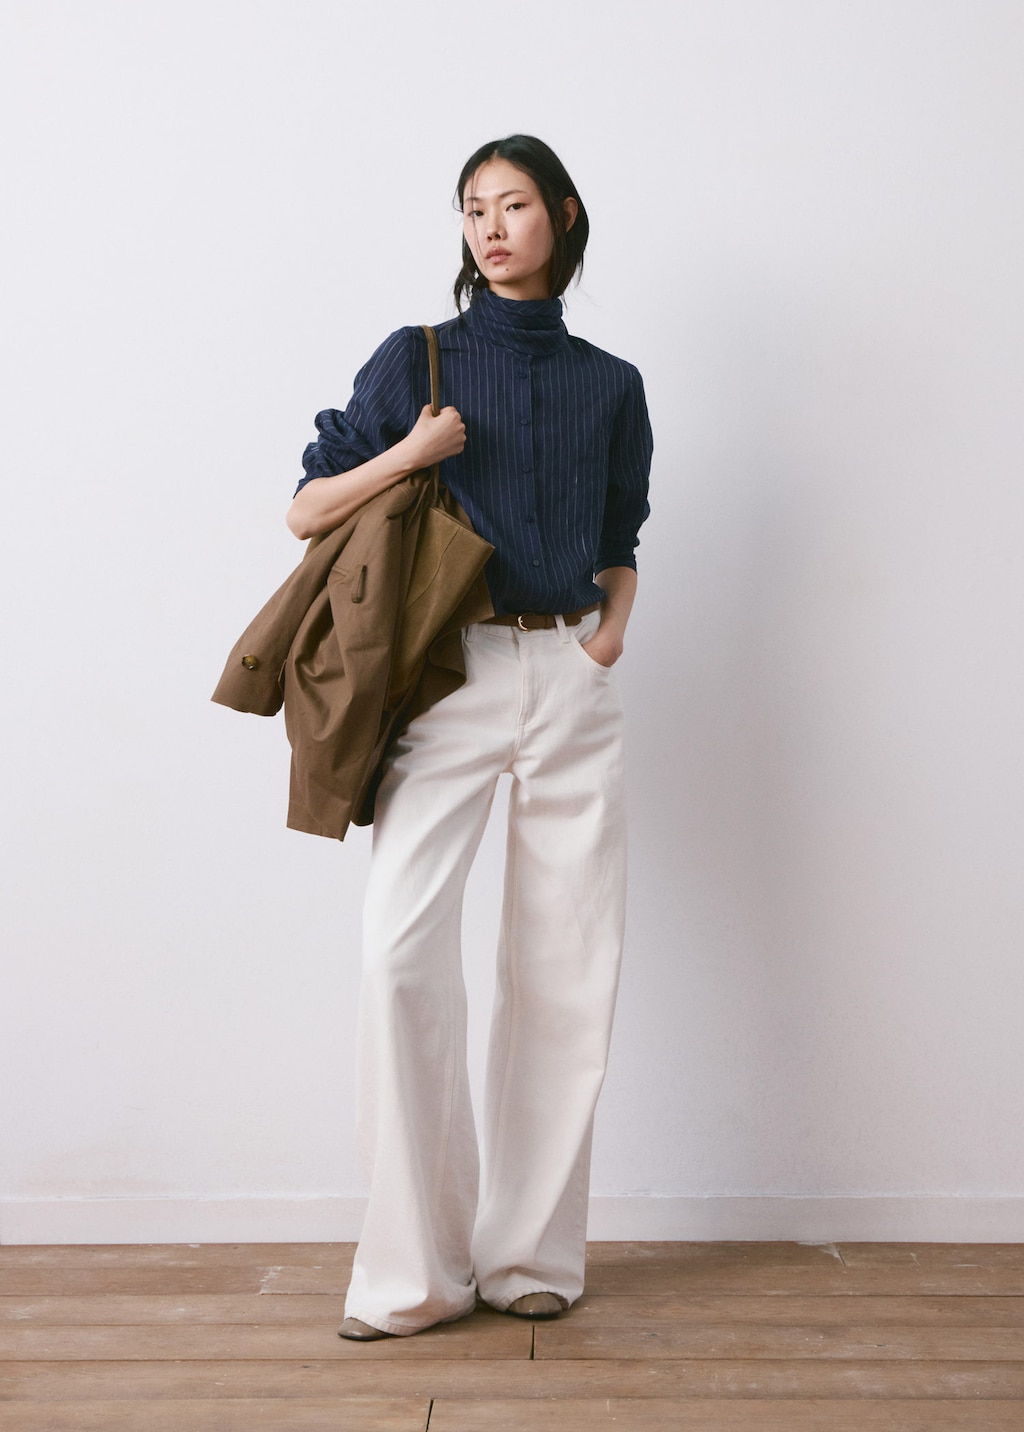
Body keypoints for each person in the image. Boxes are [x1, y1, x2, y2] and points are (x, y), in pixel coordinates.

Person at [287, 135, 653, 1339]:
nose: (490, 227)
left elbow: (620, 536)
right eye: (472, 210)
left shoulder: (612, 382)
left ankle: (528, 1257)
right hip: (449, 675)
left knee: (563, 971)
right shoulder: (420, 359)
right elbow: (305, 506)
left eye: (512, 205)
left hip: (568, 672)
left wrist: (604, 636)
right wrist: (414, 448)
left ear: (562, 215)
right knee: (400, 954)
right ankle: (410, 1273)